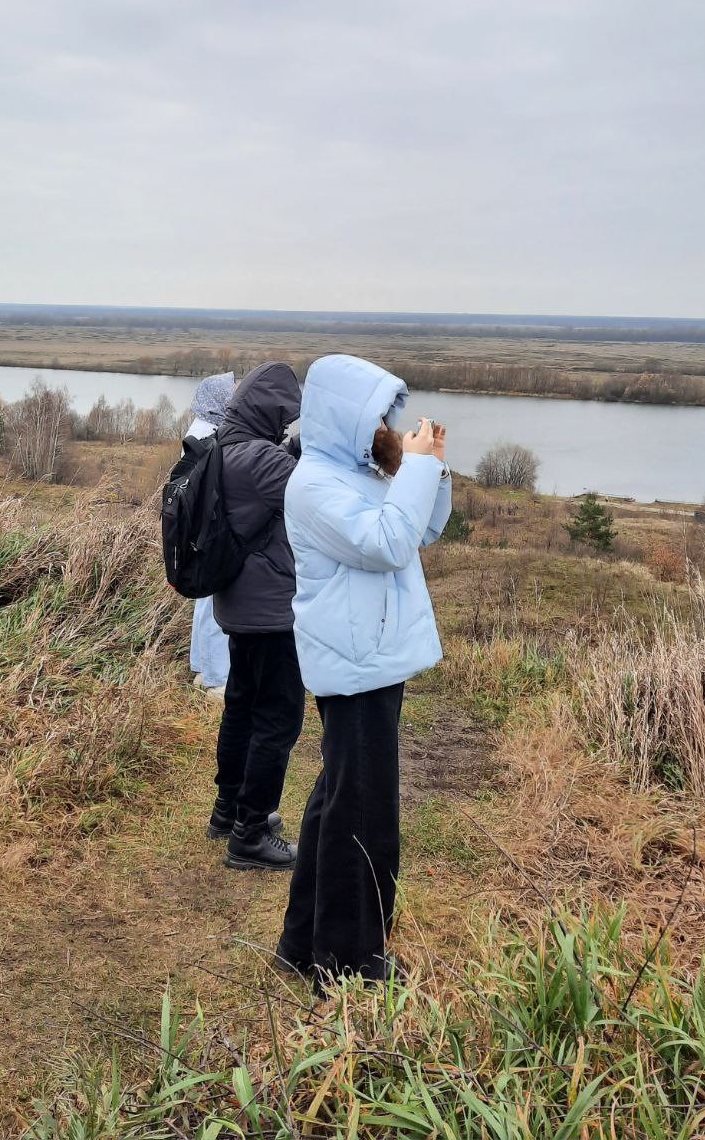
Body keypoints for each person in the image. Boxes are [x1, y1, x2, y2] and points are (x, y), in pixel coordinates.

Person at [275, 354, 451, 984]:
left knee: (337, 799)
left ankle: (302, 944)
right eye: (375, 414)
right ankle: (348, 960)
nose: (385, 425)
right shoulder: (314, 484)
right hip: (355, 661)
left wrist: (427, 468)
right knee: (363, 811)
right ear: (345, 416)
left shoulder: (360, 471)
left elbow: (424, 528)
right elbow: (388, 544)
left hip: (370, 656)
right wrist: (415, 467)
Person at [210, 361, 306, 871]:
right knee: (279, 718)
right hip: (271, 610)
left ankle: (228, 810)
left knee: (242, 707)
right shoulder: (259, 460)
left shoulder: (225, 446)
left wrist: (289, 448)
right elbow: (313, 491)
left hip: (238, 603)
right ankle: (252, 831)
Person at [185, 372, 235, 699]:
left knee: (206, 602)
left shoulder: (199, 430)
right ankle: (216, 679)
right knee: (215, 604)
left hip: (199, 532)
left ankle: (204, 668)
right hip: (210, 531)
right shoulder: (210, 436)